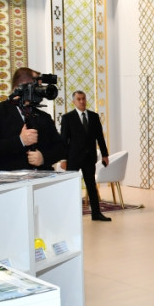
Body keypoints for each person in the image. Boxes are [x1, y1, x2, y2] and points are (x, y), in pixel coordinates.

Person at [0, 67, 65, 173]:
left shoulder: (44, 117)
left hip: (43, 179)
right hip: (11, 180)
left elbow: (60, 148)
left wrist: (43, 157)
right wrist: (20, 140)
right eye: (36, 87)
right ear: (19, 87)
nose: (39, 91)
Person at [60, 90, 111, 222]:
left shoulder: (94, 116)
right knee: (71, 187)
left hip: (89, 158)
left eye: (83, 98)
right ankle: (69, 215)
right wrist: (63, 159)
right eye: (79, 99)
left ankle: (96, 213)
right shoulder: (67, 118)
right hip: (73, 158)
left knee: (91, 186)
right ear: (74, 101)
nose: (82, 101)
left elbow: (100, 137)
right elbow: (63, 140)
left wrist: (105, 155)